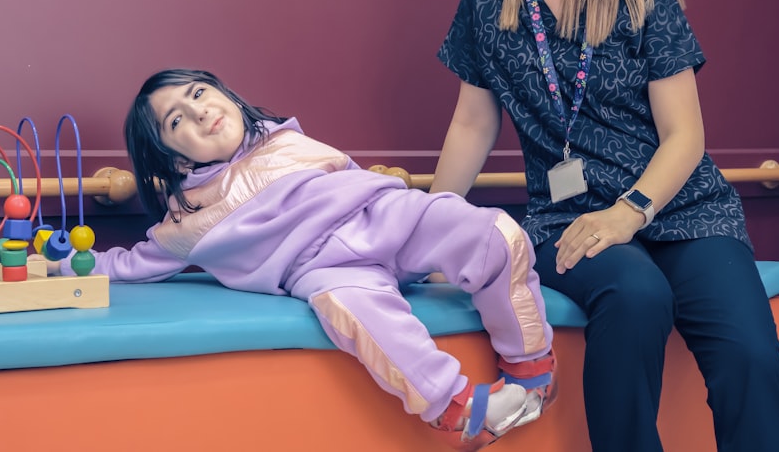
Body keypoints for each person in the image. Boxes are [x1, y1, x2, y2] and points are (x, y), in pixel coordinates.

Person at [431, 0, 779, 452]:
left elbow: (685, 136)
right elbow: (473, 122)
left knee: (752, 359)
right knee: (634, 294)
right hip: (570, 215)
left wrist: (629, 213)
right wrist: (432, 226)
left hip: (682, 210)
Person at [48, 68, 556, 450]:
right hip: (327, 268)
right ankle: (457, 410)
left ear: (225, 95)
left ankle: (530, 365)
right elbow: (129, 263)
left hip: (385, 215)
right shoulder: (187, 223)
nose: (199, 110)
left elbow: (348, 171)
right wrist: (62, 264)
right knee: (359, 317)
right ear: (176, 158)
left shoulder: (283, 136)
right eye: (177, 119)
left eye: (199, 93)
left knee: (494, 232)